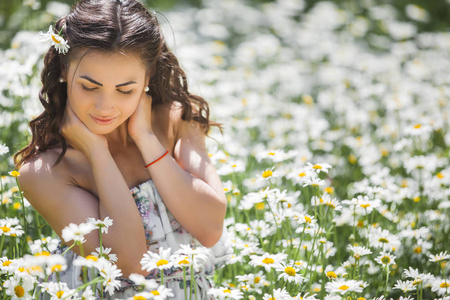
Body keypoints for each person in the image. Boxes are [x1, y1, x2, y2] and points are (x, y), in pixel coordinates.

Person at [13, 0, 230, 298]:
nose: (105, 107)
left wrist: (145, 137)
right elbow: (129, 264)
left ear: (148, 77)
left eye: (125, 90)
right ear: (64, 69)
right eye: (89, 87)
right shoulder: (45, 172)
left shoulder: (176, 119)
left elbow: (209, 228)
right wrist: (96, 151)